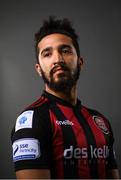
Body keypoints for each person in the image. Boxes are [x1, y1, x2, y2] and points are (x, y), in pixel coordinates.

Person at [11, 16, 120, 179]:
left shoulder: (100, 121)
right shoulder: (32, 122)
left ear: (80, 62)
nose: (58, 59)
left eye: (65, 50)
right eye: (47, 54)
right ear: (38, 69)